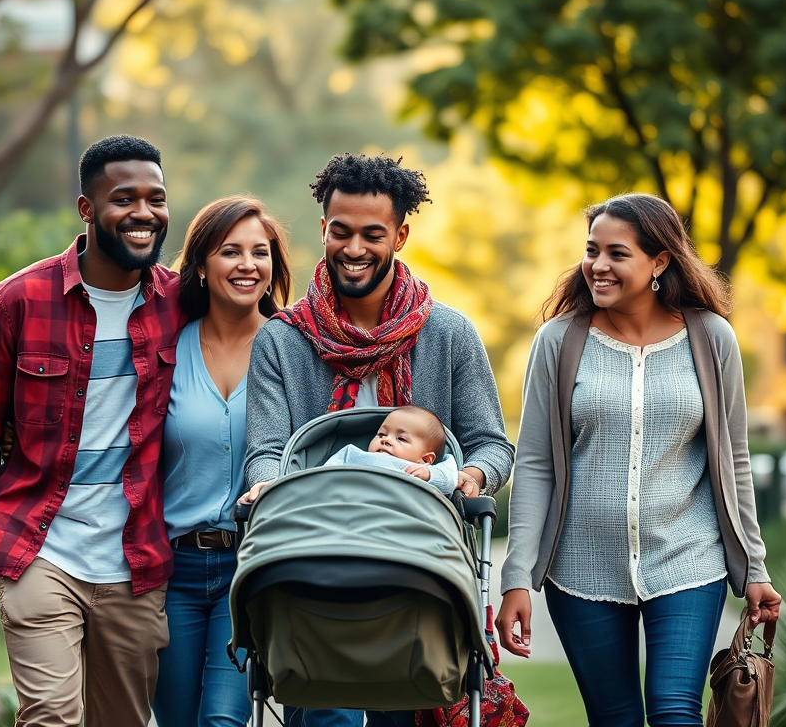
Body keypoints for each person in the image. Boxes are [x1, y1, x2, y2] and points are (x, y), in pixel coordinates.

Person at [242, 153, 515, 727]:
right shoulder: (283, 341)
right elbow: (267, 449)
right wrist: (266, 484)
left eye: (373, 234)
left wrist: (470, 476)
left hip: (415, 568)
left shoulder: (448, 333)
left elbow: (492, 443)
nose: (354, 248)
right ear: (323, 229)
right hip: (316, 563)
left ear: (401, 235)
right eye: (340, 232)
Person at [497, 193, 782, 727]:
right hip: (580, 568)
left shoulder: (711, 338)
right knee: (615, 718)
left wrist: (755, 569)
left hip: (687, 559)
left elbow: (734, 460)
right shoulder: (558, 341)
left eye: (617, 253)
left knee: (677, 712)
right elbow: (535, 463)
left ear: (659, 261)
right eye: (592, 250)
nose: (598, 266)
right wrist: (518, 577)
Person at [0, 135, 183, 727]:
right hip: (39, 548)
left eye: (156, 198)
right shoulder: (18, 301)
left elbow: (261, 329)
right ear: (86, 209)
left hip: (137, 560)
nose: (144, 214)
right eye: (123, 198)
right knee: (51, 716)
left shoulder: (182, 301)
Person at [152, 195, 292, 727]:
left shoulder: (291, 349)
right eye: (230, 251)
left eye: (261, 252)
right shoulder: (168, 349)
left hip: (250, 566)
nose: (248, 264)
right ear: (202, 266)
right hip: (174, 571)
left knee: (224, 722)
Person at [321, 405, 459, 496]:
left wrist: (429, 474)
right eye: (381, 434)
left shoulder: (424, 470)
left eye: (401, 439)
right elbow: (322, 477)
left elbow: (449, 482)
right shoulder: (353, 454)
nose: (386, 440)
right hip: (351, 500)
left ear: (426, 459)